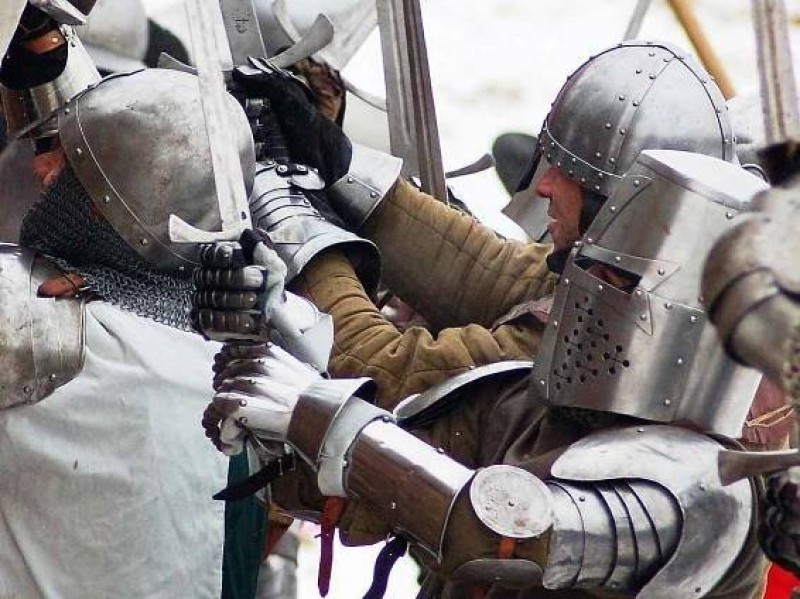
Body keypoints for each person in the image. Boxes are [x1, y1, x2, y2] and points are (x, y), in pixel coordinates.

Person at [195, 143, 776, 597]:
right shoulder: (529, 404)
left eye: (614, 283)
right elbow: (390, 466)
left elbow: (498, 531)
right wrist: (275, 338)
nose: (585, 298)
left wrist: (318, 415)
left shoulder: (709, 491)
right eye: (588, 273)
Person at [203, 40, 789, 454]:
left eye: (570, 175)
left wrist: (293, 216)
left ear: (626, 208)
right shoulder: (645, 284)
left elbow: (382, 374)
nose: (543, 186)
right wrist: (337, 161)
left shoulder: (620, 342)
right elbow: (488, 271)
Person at [0, 4, 262, 596]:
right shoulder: (256, 355)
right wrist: (43, 48)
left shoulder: (37, 324)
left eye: (69, 167)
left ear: (99, 209)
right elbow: (130, 167)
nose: (42, 170)